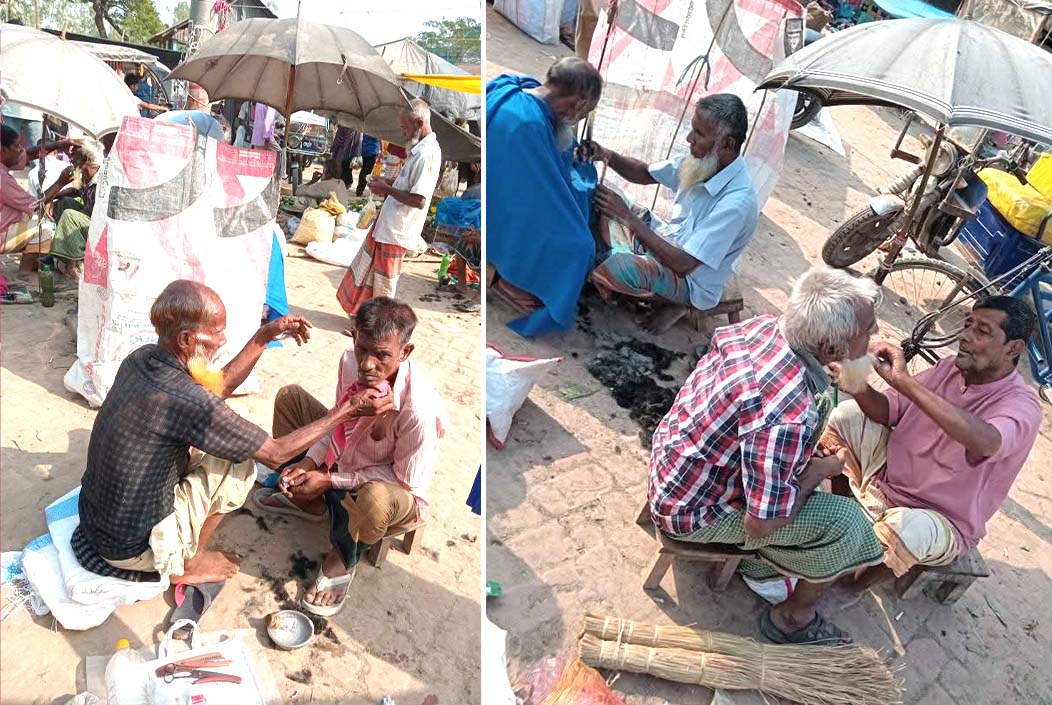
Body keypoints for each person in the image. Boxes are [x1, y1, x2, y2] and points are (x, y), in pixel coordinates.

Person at [71, 280, 395, 585]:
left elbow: (217, 390)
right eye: (217, 333)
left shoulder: (141, 359)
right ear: (186, 339)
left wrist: (263, 337)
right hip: (131, 548)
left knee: (214, 445)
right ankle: (187, 561)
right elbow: (276, 453)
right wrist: (346, 411)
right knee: (240, 464)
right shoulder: (188, 400)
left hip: (97, 523)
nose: (223, 340)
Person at [648, 267, 884, 645]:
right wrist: (821, 469)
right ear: (831, 349)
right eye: (868, 330)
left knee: (815, 454)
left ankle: (771, 565)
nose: (874, 337)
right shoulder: (786, 414)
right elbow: (761, 524)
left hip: (673, 464)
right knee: (848, 524)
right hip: (691, 511)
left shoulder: (763, 328)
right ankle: (792, 616)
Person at [822, 296, 1042, 592]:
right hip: (891, 479)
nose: (965, 336)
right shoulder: (950, 368)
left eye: (982, 331)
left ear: (1013, 348)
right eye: (968, 325)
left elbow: (987, 442)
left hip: (942, 518)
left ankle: (854, 585)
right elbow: (889, 410)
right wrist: (856, 384)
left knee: (907, 532)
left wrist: (905, 382)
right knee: (846, 415)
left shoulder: (1021, 405)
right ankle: (844, 515)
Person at [254, 297, 446, 615]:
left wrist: (330, 479)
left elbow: (405, 482)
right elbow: (336, 423)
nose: (368, 365)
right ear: (354, 336)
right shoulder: (349, 364)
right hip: (345, 461)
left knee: (375, 500)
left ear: (405, 352)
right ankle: (313, 503)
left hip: (393, 490)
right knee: (291, 399)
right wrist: (307, 463)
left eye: (382, 355)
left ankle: (343, 556)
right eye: (362, 348)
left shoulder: (417, 408)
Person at [589, 93, 759, 334]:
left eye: (699, 133)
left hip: (692, 279)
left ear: (727, 144)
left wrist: (628, 219)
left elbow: (684, 264)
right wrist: (608, 155)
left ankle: (681, 302)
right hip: (669, 238)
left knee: (619, 268)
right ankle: (633, 257)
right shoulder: (704, 160)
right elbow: (645, 173)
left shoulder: (736, 204)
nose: (690, 138)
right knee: (603, 199)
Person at [486, 57, 603, 336]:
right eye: (585, 113)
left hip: (512, 185)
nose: (580, 120)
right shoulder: (528, 124)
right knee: (580, 244)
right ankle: (507, 279)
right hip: (505, 202)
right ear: (578, 104)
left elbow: (554, 164)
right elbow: (537, 195)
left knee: (587, 193)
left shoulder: (519, 90)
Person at [336, 100, 442, 323]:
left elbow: (419, 200)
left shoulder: (426, 154)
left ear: (419, 123)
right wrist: (387, 181)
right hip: (389, 224)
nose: (403, 132)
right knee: (370, 276)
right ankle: (364, 323)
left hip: (398, 229)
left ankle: (377, 330)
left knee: (384, 284)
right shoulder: (419, 150)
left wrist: (386, 188)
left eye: (405, 128)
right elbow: (408, 184)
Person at [0, 124, 77, 276]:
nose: (21, 150)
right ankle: (25, 272)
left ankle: (32, 263)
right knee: (46, 230)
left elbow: (27, 154)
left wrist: (61, 144)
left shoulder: (4, 163)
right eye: (17, 146)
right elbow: (34, 204)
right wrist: (60, 183)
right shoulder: (2, 179)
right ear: (3, 149)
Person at [45, 143, 102, 279]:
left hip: (99, 225)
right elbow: (74, 191)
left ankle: (72, 267)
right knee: (63, 204)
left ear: (85, 160)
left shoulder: (101, 180)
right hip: (88, 217)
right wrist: (51, 198)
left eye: (74, 155)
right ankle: (61, 253)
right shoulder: (86, 176)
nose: (70, 158)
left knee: (70, 215)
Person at [357, 133, 382, 197]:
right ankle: (360, 189)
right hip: (372, 151)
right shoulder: (375, 130)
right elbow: (377, 138)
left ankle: (359, 188)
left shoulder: (367, 128)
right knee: (367, 172)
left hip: (364, 150)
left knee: (363, 170)